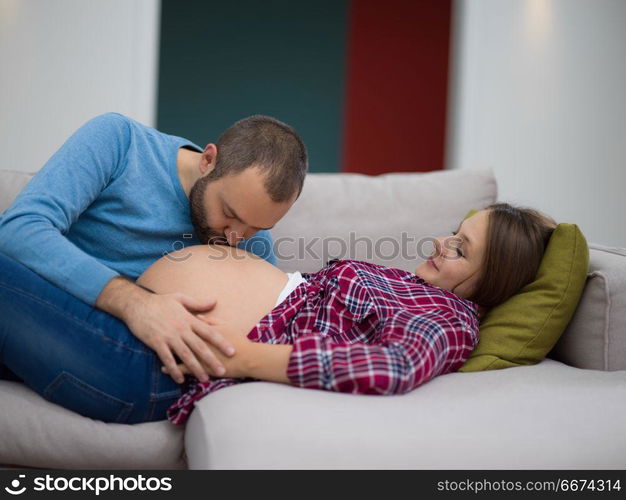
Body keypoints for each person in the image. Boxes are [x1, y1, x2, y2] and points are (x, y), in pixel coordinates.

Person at [0, 113, 308, 422]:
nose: (235, 237)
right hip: (49, 315)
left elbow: (268, 330)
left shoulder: (253, 241)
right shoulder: (121, 143)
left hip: (126, 363)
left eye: (256, 227)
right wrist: (136, 303)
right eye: (228, 213)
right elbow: (20, 228)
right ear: (208, 160)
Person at [140, 202, 555, 425]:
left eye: (459, 249)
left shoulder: (451, 321)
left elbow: (396, 365)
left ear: (493, 284)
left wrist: (240, 356)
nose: (438, 243)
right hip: (168, 325)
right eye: (453, 233)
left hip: (187, 354)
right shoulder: (421, 290)